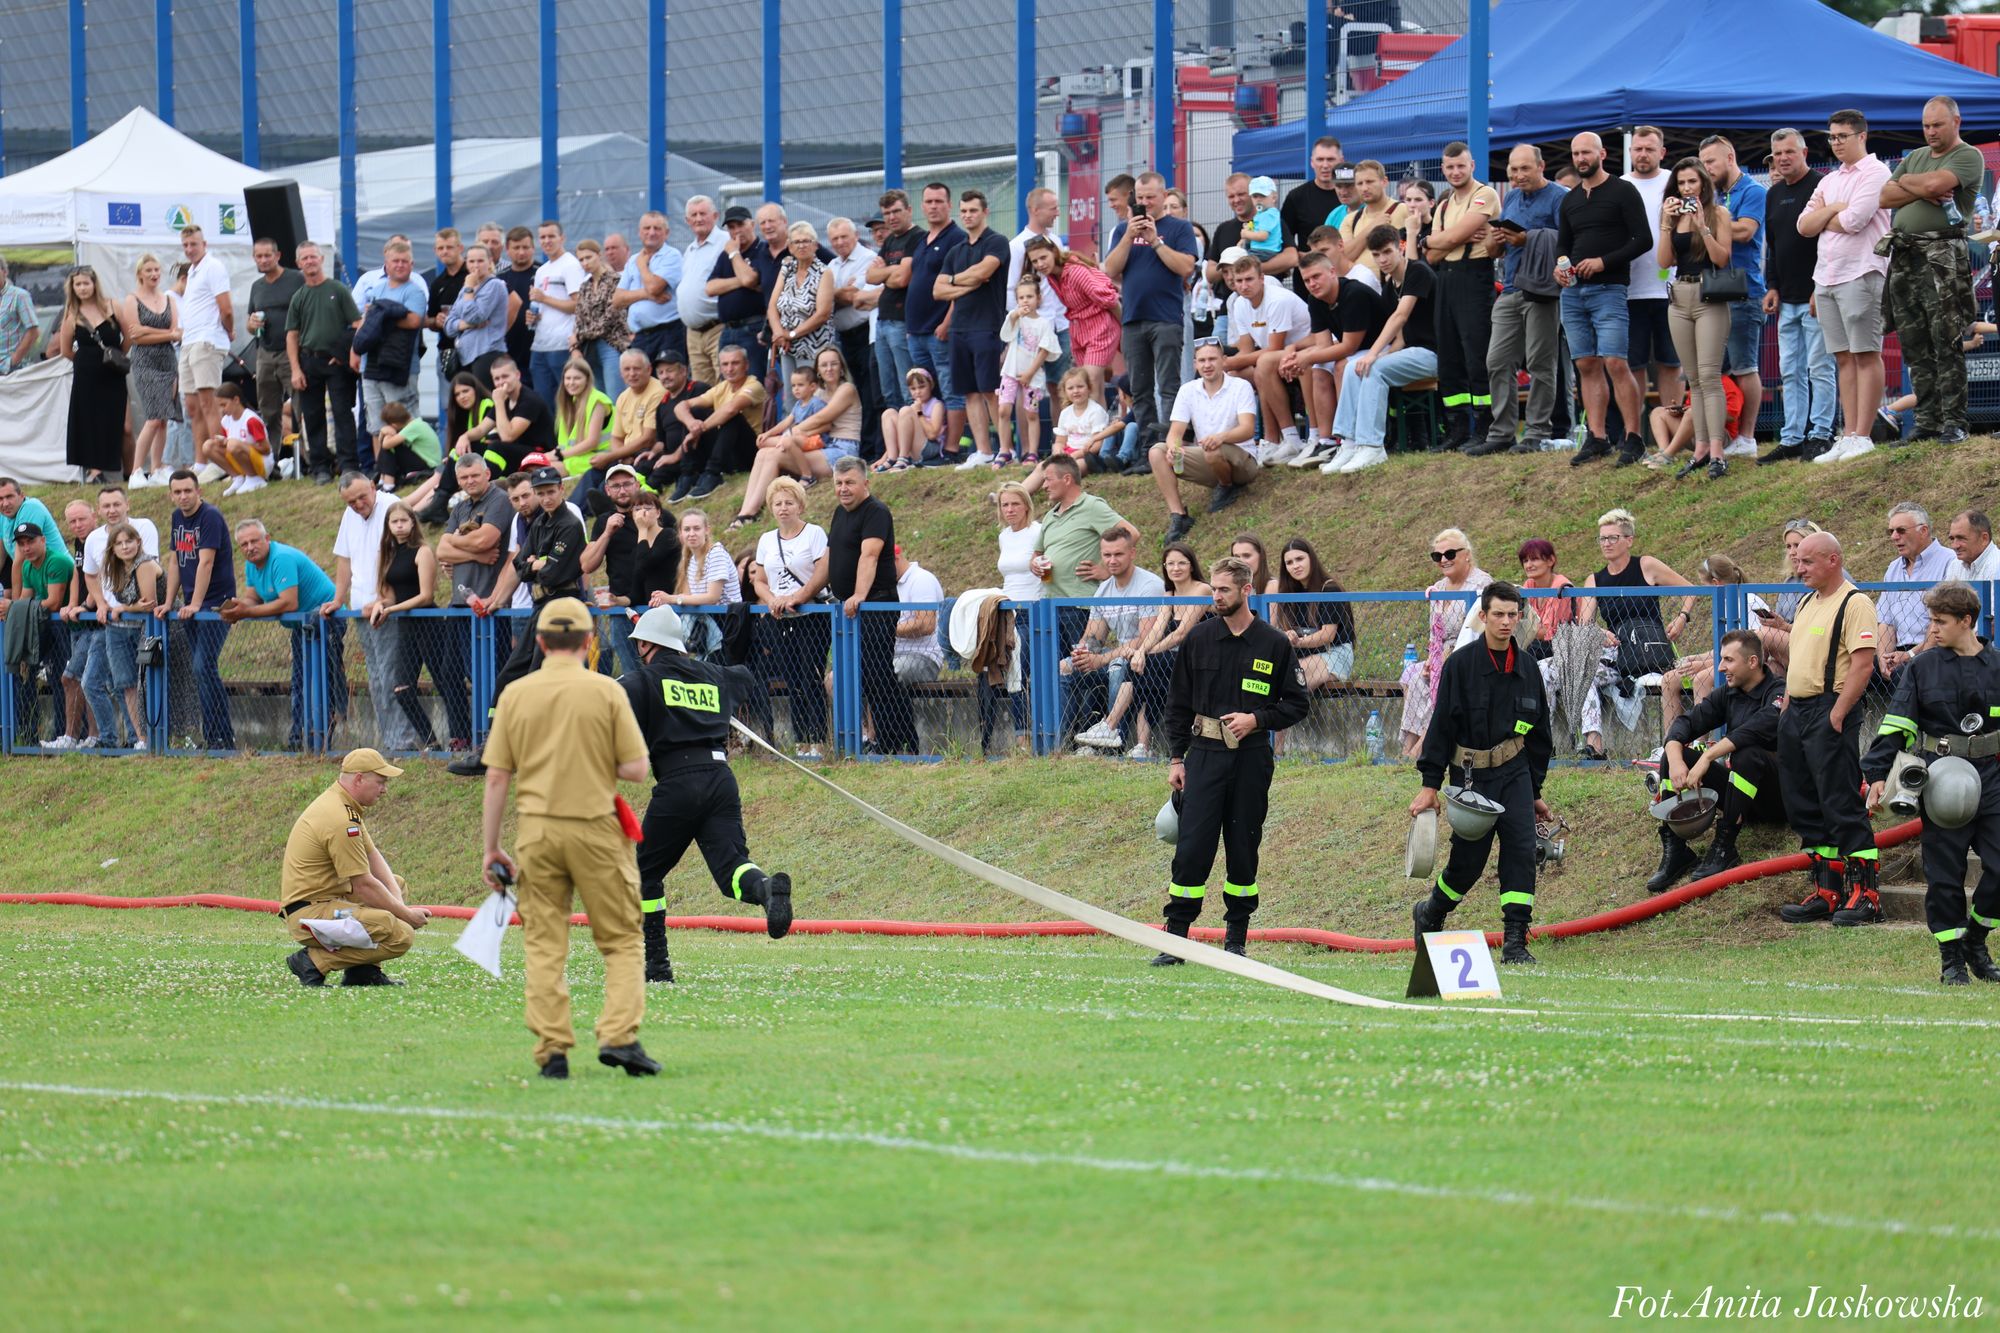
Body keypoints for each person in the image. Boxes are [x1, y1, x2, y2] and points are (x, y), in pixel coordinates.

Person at [479, 597, 658, 1078]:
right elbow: (637, 769)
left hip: (537, 831)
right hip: (597, 827)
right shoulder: (606, 692)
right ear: (588, 640)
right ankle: (620, 1036)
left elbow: (497, 778)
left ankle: (552, 1051)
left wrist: (491, 848)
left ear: (538, 642)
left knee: (544, 943)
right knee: (621, 940)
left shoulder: (516, 694)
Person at [623, 602, 795, 986]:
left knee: (644, 873)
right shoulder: (715, 676)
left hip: (677, 782)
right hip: (720, 778)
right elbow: (744, 678)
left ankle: (657, 966)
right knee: (732, 868)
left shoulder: (642, 681)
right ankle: (767, 889)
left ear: (645, 646)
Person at [1152, 556, 1310, 964]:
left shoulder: (1274, 643)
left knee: (1244, 848)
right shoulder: (1199, 638)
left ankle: (1236, 939)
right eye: (1214, 589)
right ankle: (1176, 942)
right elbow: (1177, 705)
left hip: (1250, 759)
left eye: (1223, 590)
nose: (1216, 596)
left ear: (1246, 591)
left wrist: (1257, 719)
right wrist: (1175, 759)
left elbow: (1296, 704)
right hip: (1203, 756)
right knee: (1191, 850)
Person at [1410, 581, 1555, 965]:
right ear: (1483, 617)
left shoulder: (1528, 669)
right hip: (1471, 777)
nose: (1506, 622)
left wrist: (1535, 790)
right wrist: (1429, 786)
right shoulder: (1461, 665)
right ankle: (1430, 913)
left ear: (1520, 617)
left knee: (1521, 853)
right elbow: (1441, 728)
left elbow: (1540, 735)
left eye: (1512, 615)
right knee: (1467, 864)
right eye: (1498, 615)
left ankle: (1515, 942)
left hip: (1516, 775)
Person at [1862, 582, 2000, 984]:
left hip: (1992, 779)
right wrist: (1874, 775)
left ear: (1967, 621)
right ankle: (1951, 959)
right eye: (1931, 620)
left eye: (1941, 622)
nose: (1932, 629)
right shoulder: (1921, 668)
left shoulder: (1998, 666)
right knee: (1945, 875)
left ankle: (1976, 938)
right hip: (1940, 779)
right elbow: (1896, 724)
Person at [1775, 532, 1881, 927]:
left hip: (1828, 708)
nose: (1798, 568)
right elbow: (1799, 657)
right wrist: (1787, 705)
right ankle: (1827, 889)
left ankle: (1865, 893)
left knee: (1840, 800)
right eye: (1797, 560)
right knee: (1803, 803)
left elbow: (1863, 664)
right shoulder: (1805, 602)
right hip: (1797, 710)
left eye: (1806, 561)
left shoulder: (1855, 603)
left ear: (1833, 560)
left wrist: (1837, 714)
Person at [1649, 630, 1788, 893]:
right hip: (1742, 794)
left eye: (1728, 660)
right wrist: (1677, 759)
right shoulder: (1728, 693)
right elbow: (1686, 723)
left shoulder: (1779, 692)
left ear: (1752, 662)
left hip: (1777, 799)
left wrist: (1708, 756)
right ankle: (1676, 848)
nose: (1721, 667)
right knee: (1672, 755)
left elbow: (1758, 729)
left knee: (1747, 753)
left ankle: (1725, 845)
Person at [1879, 97, 1983, 445]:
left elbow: (1936, 187)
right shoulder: (1916, 158)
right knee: (1914, 342)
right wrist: (1917, 183)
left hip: (1942, 257)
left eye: (1937, 125)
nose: (1930, 131)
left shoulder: (1968, 155)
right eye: (1926, 125)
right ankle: (1926, 421)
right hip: (1906, 254)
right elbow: (1884, 196)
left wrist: (1910, 183)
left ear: (1956, 121)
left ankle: (1954, 422)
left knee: (1946, 340)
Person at [278, 749, 429, 987]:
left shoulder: (343, 805)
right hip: (309, 913)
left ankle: (363, 973)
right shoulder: (339, 818)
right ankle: (313, 962)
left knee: (395, 885)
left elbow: (373, 856)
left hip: (325, 900)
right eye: (380, 782)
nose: (384, 789)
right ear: (359, 779)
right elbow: (364, 885)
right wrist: (406, 915)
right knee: (400, 935)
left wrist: (398, 905)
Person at [1798, 111, 1894, 467]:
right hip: (1827, 276)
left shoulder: (1877, 172)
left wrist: (1829, 214)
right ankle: (1849, 433)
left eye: (1842, 136)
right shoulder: (1829, 180)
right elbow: (1803, 226)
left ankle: (1864, 435)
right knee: (1842, 357)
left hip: (1862, 271)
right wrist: (1835, 209)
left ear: (1861, 136)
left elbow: (1855, 221)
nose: (1836, 142)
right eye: (1832, 137)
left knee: (1866, 352)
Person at [1556, 133, 1652, 467]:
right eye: (1576, 153)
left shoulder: (1623, 191)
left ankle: (1633, 437)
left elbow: (1643, 239)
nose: (1581, 158)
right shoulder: (1569, 200)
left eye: (1586, 152)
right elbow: (1563, 245)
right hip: (1573, 292)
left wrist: (1603, 262)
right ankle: (1597, 437)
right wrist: (1560, 267)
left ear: (1602, 154)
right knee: (1585, 363)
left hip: (1609, 289)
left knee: (1615, 361)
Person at [1471, 145, 1567, 458]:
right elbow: (1495, 251)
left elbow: (1568, 242)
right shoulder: (1511, 198)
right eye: (1513, 169)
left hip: (1542, 291)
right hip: (1510, 290)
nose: (1517, 175)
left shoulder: (1559, 197)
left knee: (1541, 363)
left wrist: (1528, 238)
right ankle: (1502, 433)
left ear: (1542, 166)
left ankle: (1537, 433)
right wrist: (1494, 239)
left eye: (1525, 168)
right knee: (1497, 361)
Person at [1324, 226, 1440, 475]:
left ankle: (1372, 446)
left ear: (1400, 246)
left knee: (1372, 367)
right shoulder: (1389, 288)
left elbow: (1400, 316)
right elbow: (1399, 339)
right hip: (1411, 353)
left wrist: (1374, 355)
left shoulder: (1417, 271)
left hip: (1434, 354)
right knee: (1356, 368)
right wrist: (1382, 356)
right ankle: (1349, 443)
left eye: (1387, 252)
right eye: (1376, 255)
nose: (1382, 260)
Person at [223, 519, 346, 750]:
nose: (250, 547)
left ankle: (320, 742)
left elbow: (289, 603)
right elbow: (253, 597)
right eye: (244, 544)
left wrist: (247, 612)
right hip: (303, 625)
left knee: (323, 681)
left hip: (327, 620)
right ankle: (298, 740)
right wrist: (238, 607)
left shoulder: (281, 558)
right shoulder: (252, 565)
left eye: (254, 541)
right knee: (300, 682)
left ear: (267, 538)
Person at [828, 456, 918, 754]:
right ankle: (887, 740)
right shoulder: (840, 514)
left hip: (876, 605)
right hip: (854, 608)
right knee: (866, 675)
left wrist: (858, 595)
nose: (843, 489)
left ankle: (900, 742)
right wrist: (802, 594)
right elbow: (829, 560)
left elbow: (870, 556)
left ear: (865, 482)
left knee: (878, 674)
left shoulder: (876, 512)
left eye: (850, 482)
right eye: (839, 483)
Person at [1758, 129, 1837, 465]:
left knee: (1820, 367)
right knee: (1789, 370)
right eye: (1777, 154)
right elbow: (1773, 246)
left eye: (1789, 151)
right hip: (1786, 297)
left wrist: (1821, 287)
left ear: (1804, 152)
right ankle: (1792, 437)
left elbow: (1830, 244)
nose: (1783, 158)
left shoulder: (1823, 186)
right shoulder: (1773, 194)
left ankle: (1821, 433)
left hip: (1815, 295)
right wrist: (1772, 285)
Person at [1105, 172, 1200, 447]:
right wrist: (1130, 236)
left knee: (1169, 385)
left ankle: (1169, 444)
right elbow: (1110, 270)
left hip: (1166, 317)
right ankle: (1147, 449)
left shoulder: (1179, 228)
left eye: (1151, 197)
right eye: (1140, 197)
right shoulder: (1123, 230)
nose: (1145, 203)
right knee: (1140, 388)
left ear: (1163, 196)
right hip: (1133, 318)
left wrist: (1155, 240)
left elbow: (1185, 267)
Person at [1658, 157, 1736, 479]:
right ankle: (1701, 448)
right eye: (1681, 183)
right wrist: (1665, 223)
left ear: (1703, 184)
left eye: (1692, 182)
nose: (1687, 188)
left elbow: (1721, 258)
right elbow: (1663, 261)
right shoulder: (1673, 217)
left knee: (1709, 375)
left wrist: (1702, 225)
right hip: (1679, 297)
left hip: (1709, 296)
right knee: (1693, 379)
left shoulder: (1718, 213)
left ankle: (1717, 452)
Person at [1425, 141, 1503, 452]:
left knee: (1476, 355)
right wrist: (1438, 240)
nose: (1456, 172)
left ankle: (1484, 426)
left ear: (1472, 166)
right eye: (1450, 167)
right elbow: (1430, 256)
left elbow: (1450, 238)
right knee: (1449, 356)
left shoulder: (1484, 194)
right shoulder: (1443, 205)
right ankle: (1456, 427)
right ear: (1442, 170)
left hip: (1475, 276)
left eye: (1461, 166)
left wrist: (1436, 238)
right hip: (1445, 279)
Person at [1694, 137, 1767, 459]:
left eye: (1711, 162)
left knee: (1745, 367)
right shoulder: (1716, 195)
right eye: (1703, 164)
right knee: (1713, 370)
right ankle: (1721, 436)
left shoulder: (1751, 191)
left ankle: (1748, 437)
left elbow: (1746, 231)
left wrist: (1706, 225)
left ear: (1730, 156)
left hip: (1744, 291)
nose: (1706, 169)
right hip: (1715, 291)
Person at [747, 476, 830, 758]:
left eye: (789, 502)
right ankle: (800, 741)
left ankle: (818, 740)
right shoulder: (766, 540)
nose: (783, 508)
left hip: (810, 616)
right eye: (778, 503)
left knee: (811, 676)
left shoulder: (814, 533)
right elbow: (759, 580)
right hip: (780, 617)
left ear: (800, 505)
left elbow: (822, 571)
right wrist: (773, 600)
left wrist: (799, 597)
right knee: (791, 680)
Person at [931, 191, 1013, 467]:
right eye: (964, 211)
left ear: (985, 212)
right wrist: (963, 282)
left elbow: (984, 272)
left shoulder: (997, 242)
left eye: (973, 210)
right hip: (959, 329)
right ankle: (983, 450)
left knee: (990, 390)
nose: (968, 215)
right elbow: (938, 290)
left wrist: (956, 282)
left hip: (987, 326)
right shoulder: (957, 251)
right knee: (969, 392)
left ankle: (1004, 449)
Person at [1148, 340, 1260, 544]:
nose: (1207, 365)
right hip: (1209, 456)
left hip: (1243, 459)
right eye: (1202, 360)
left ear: (1224, 361)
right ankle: (1179, 515)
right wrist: (1173, 447)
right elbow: (1175, 431)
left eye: (1212, 359)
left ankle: (1227, 487)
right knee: (1157, 452)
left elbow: (1247, 429)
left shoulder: (1240, 386)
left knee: (1212, 449)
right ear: (1195, 365)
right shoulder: (1187, 390)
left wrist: (1221, 437)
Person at [155, 471, 235, 750]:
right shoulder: (177, 518)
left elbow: (206, 563)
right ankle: (215, 736)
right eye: (177, 492)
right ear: (170, 494)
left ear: (198, 490)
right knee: (201, 669)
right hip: (192, 604)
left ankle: (222, 735)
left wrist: (197, 604)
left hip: (215, 604)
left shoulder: (210, 516)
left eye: (188, 490)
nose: (183, 496)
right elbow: (176, 562)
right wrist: (169, 601)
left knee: (203, 666)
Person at [1068, 528, 1168, 749]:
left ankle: (1114, 738)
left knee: (1116, 666)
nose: (1111, 560)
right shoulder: (1104, 589)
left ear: (1132, 553)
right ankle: (1061, 741)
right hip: (1117, 654)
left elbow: (1145, 638)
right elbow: (1095, 636)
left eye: (1118, 554)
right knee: (1064, 669)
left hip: (1145, 657)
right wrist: (1083, 653)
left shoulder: (1148, 586)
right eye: (1107, 555)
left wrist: (1101, 660)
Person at [1576, 507, 1696, 687]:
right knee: (1580, 676)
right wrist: (1599, 632)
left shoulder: (1646, 565)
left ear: (1629, 540)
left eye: (1613, 538)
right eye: (1602, 538)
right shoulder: (1594, 581)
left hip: (1651, 650)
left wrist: (1682, 617)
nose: (1606, 543)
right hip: (1618, 655)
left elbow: (1691, 590)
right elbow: (1584, 625)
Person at [1398, 529, 1490, 759]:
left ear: (1466, 554)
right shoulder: (1438, 589)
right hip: (1442, 655)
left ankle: (1421, 751)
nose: (1443, 560)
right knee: (1417, 676)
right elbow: (1434, 634)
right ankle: (1406, 749)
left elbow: (1478, 631)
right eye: (1437, 556)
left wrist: (1447, 658)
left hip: (1470, 655)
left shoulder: (1481, 584)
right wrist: (1431, 659)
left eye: (1449, 553)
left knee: (1443, 678)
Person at [1621, 127, 1682, 443]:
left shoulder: (1675, 182)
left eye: (1649, 148)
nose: (1642, 154)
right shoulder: (1619, 186)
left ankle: (1673, 436)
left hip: (1669, 289)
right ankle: (1635, 435)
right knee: (1634, 366)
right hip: (1629, 291)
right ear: (1630, 152)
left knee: (1671, 364)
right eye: (1637, 149)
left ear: (1662, 152)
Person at [365, 501, 443, 750]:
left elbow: (426, 596)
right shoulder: (385, 555)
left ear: (412, 523)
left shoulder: (422, 551)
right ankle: (432, 743)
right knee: (401, 688)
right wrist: (380, 605)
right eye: (394, 522)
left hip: (428, 622)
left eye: (404, 521)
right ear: (388, 526)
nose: (399, 526)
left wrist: (391, 609)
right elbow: (387, 594)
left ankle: (463, 739)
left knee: (445, 684)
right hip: (406, 627)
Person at [284, 241, 362, 483]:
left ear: (321, 259)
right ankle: (321, 468)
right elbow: (292, 335)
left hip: (336, 363)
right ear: (298, 264)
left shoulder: (337, 290)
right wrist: (295, 369)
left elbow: (358, 325)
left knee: (342, 413)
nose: (310, 261)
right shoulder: (299, 297)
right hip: (309, 362)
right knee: (313, 416)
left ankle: (348, 464)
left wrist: (348, 354)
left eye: (313, 257)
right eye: (304, 258)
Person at [1023, 238, 1122, 410]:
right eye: (1035, 261)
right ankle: (1096, 432)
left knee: (1089, 384)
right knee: (1092, 386)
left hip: (1100, 328)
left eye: (1043, 257)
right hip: (1079, 331)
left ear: (1054, 252)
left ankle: (1097, 434)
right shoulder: (1053, 277)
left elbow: (1110, 300)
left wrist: (1125, 327)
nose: (1040, 264)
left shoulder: (1075, 272)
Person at [53, 266, 129, 486]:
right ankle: (94, 470)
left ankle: (119, 468)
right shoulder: (71, 315)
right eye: (78, 284)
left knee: (116, 421)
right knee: (89, 420)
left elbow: (128, 336)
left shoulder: (112, 305)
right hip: (86, 374)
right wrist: (86, 361)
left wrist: (116, 356)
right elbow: (66, 350)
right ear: (72, 288)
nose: (83, 288)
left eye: (86, 283)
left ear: (94, 284)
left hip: (113, 372)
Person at [4, 522, 76, 740]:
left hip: (65, 628)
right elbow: (27, 597)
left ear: (43, 540)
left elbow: (54, 603)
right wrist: (14, 607)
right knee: (26, 676)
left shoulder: (57, 561)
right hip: (43, 626)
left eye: (31, 541)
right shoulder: (26, 565)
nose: (27, 548)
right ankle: (26, 735)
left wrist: (13, 607)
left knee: (63, 679)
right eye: (22, 544)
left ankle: (69, 735)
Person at [352, 239, 428, 439]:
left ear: (412, 265)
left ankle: (412, 470)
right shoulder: (376, 289)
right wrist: (354, 349)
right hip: (371, 364)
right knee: (376, 426)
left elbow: (413, 321)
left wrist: (380, 317)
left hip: (399, 367)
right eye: (396, 261)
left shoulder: (415, 291)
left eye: (405, 261)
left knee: (404, 423)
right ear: (386, 264)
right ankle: (382, 469)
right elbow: (366, 320)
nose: (400, 265)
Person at [122, 254, 184, 486]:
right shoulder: (132, 299)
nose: (154, 274)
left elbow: (176, 331)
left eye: (156, 269)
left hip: (167, 360)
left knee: (164, 417)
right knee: (153, 416)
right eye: (148, 270)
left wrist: (154, 332)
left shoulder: (168, 299)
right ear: (140, 274)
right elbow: (134, 334)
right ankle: (137, 470)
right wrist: (166, 335)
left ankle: (157, 467)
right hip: (145, 361)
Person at [1876, 501, 1956, 678]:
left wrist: (1912, 656)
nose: (1894, 537)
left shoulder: (1950, 562)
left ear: (1923, 531)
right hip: (1899, 652)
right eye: (1891, 531)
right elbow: (1886, 621)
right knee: (1853, 671)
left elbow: (1942, 621)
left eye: (1901, 530)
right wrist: (1883, 658)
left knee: (1905, 676)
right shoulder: (1893, 568)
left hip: (1936, 650)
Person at [176, 226, 235, 465]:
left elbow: (226, 308)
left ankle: (221, 461)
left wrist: (229, 329)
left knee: (209, 401)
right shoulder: (192, 271)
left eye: (194, 244)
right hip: (190, 341)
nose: (190, 249)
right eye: (186, 245)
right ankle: (201, 461)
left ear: (205, 244)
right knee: (193, 406)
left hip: (207, 340)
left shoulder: (214, 267)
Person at [769, 221, 837, 405]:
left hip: (813, 346)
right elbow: (772, 306)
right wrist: (778, 334)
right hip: (786, 347)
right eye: (796, 242)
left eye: (807, 241)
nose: (802, 245)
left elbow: (823, 313)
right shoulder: (787, 269)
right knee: (791, 400)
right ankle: (793, 433)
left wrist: (790, 334)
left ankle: (812, 434)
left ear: (815, 245)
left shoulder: (824, 272)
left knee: (812, 399)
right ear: (790, 247)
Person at [1274, 538, 1355, 692]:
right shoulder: (1288, 594)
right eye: (1289, 562)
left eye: (1300, 559)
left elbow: (1327, 635)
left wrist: (1297, 642)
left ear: (1311, 558)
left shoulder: (1329, 589)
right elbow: (1282, 630)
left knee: (1293, 676)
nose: (1295, 565)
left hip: (1334, 653)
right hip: (1301, 655)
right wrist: (1287, 635)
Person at [995, 278, 1062, 466]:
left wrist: (1029, 373)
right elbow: (1005, 334)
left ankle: (1032, 452)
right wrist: (1015, 315)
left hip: (1032, 376)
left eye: (1030, 296)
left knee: (1031, 413)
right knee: (1003, 409)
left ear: (1038, 298)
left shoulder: (1043, 324)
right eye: (1021, 297)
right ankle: (1004, 450)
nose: (1025, 301)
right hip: (1010, 371)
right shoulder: (1014, 319)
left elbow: (1044, 351)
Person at [616, 210, 684, 371]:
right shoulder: (632, 260)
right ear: (639, 232)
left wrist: (642, 265)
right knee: (640, 385)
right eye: (647, 228)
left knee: (668, 383)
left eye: (657, 228)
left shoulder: (672, 256)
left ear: (666, 233)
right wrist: (647, 295)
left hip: (668, 333)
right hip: (640, 336)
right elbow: (617, 300)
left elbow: (655, 287)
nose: (651, 232)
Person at [1279, 137, 1347, 294]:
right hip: (1309, 280)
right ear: (1312, 162)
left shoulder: (1351, 196)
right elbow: (1282, 239)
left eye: (1330, 159)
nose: (1325, 165)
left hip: (1346, 276)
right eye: (1320, 159)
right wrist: (1302, 255)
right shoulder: (1297, 197)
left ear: (1341, 161)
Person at [568, 238, 633, 393]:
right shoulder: (585, 286)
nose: (585, 263)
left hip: (612, 344)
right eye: (581, 260)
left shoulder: (616, 280)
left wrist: (580, 336)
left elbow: (611, 316)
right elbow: (580, 318)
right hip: (589, 347)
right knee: (599, 397)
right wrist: (575, 346)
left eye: (588, 257)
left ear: (599, 255)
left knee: (614, 395)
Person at [442, 243, 511, 386]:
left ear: (490, 261)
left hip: (487, 353)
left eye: (480, 261)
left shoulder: (494, 285)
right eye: (471, 261)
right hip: (465, 356)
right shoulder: (466, 288)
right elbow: (448, 325)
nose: (476, 266)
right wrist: (464, 325)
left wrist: (468, 290)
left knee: (485, 402)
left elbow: (475, 317)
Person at [679, 196, 727, 383]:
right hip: (693, 333)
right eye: (694, 215)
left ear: (715, 216)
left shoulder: (725, 242)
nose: (698, 219)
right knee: (702, 391)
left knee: (724, 386)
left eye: (703, 214)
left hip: (717, 328)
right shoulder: (690, 250)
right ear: (687, 221)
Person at [550, 356, 614, 494]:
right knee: (534, 464)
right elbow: (564, 445)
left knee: (546, 470)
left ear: (587, 379)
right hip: (576, 457)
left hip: (597, 458)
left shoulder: (597, 401)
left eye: (577, 378)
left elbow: (591, 442)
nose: (571, 383)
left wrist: (559, 455)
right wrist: (545, 456)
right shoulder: (570, 402)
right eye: (568, 378)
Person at [199, 382, 273, 496]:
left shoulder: (250, 419)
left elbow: (266, 449)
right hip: (242, 460)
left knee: (233, 444)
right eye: (219, 406)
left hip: (262, 464)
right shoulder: (226, 420)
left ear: (236, 400)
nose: (222, 410)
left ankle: (255, 478)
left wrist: (237, 444)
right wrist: (223, 442)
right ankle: (238, 478)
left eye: (224, 405)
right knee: (208, 446)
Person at [892, 544, 947, 685]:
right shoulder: (887, 584)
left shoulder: (921, 579)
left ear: (895, 559)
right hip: (889, 655)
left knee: (887, 672)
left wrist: (886, 630)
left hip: (923, 656)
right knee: (835, 678)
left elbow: (926, 625)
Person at [879, 365, 944, 472]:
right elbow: (901, 434)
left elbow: (932, 435)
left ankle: (903, 458)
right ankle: (892, 458)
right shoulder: (912, 406)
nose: (917, 392)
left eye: (922, 387)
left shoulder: (936, 405)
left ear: (931, 385)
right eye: (913, 389)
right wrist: (883, 457)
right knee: (889, 413)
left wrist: (919, 413)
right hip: (912, 448)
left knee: (905, 410)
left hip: (928, 448)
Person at [373, 401, 439, 491]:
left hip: (428, 466)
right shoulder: (415, 423)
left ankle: (388, 485)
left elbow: (386, 445)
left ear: (393, 425)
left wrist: (384, 433)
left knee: (391, 447)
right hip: (424, 461)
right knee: (390, 444)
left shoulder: (414, 427)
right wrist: (383, 433)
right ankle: (382, 479)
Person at [0, 255, 41, 376]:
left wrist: (14, 361)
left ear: (5, 272)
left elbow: (33, 331)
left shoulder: (19, 296)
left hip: (11, 370)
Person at [1948, 510, 2000, 582]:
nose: (1954, 546)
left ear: (1984, 539)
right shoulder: (1955, 565)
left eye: (1961, 538)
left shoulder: (1997, 566)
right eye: (1952, 539)